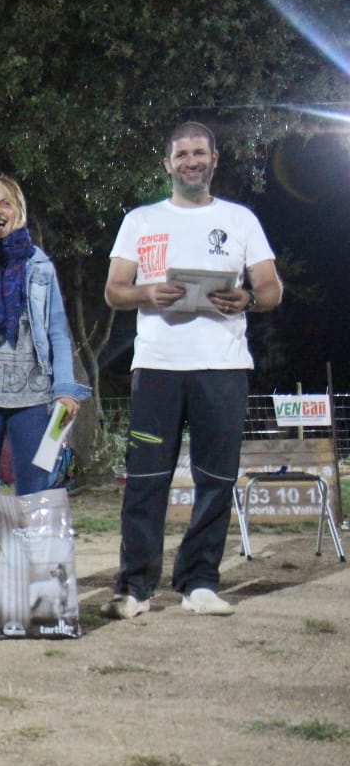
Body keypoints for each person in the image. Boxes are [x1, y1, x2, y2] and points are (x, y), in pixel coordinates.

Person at [103, 121, 282, 619]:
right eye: (181, 154)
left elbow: (271, 289)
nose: (191, 161)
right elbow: (114, 289)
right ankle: (135, 586)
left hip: (222, 368)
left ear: (214, 159)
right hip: (156, 368)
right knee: (145, 478)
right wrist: (146, 293)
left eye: (199, 153)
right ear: (168, 164)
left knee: (216, 478)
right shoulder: (140, 220)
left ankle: (199, 581)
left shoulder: (240, 219)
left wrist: (245, 297)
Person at [0, 175, 90, 626]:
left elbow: (59, 332)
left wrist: (66, 387)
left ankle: (30, 592)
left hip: (34, 395)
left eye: (5, 202)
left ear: (20, 211)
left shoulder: (40, 265)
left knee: (35, 499)